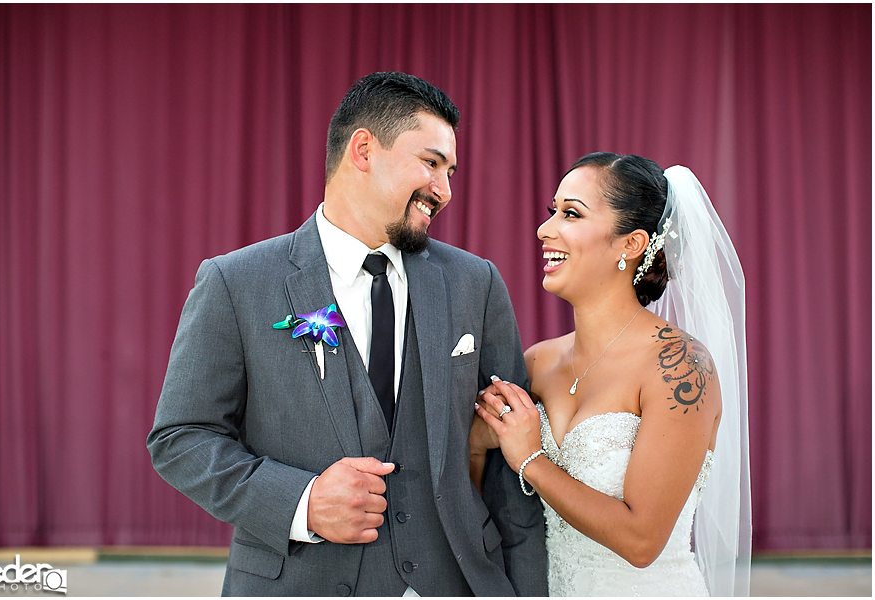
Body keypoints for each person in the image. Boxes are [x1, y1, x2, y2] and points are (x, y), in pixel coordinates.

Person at [147, 72, 547, 596]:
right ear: (362, 150)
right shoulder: (236, 282)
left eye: (450, 171)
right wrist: (302, 501)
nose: (445, 191)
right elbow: (180, 438)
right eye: (430, 163)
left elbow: (508, 463)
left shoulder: (476, 283)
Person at [471, 153, 751, 596]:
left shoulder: (679, 365)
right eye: (552, 212)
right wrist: (477, 446)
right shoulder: (538, 364)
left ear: (631, 243)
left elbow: (642, 541)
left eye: (571, 214)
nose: (545, 229)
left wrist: (532, 461)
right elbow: (486, 495)